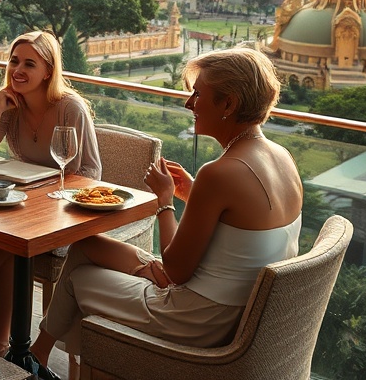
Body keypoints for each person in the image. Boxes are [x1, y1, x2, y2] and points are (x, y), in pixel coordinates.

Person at [28, 47, 303, 380]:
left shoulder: (221, 172)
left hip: (199, 318)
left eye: (198, 94)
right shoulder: (281, 157)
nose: (189, 104)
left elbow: (176, 271)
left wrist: (165, 201)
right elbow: (237, 238)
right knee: (87, 247)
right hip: (234, 307)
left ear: (228, 104)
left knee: (78, 278)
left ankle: (51, 362)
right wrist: (191, 193)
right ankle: (37, 357)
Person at [0, 30, 101, 357]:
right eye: (14, 60)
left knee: (3, 232)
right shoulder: (8, 102)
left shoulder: (71, 109)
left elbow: (92, 173)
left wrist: (51, 194)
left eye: (29, 64)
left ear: (48, 71)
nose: (17, 70)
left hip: (63, 212)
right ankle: (0, 342)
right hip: (25, 205)